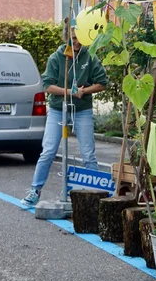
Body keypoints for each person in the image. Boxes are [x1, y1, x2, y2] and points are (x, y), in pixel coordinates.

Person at [21, 27, 108, 207]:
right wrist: (69, 92)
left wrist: (83, 91)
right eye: (73, 38)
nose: (77, 42)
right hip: (57, 109)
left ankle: (99, 197)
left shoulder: (89, 56)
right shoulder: (56, 58)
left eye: (80, 39)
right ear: (65, 38)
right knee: (48, 151)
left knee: (88, 154)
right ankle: (34, 191)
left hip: (82, 110)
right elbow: (47, 85)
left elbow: (102, 83)